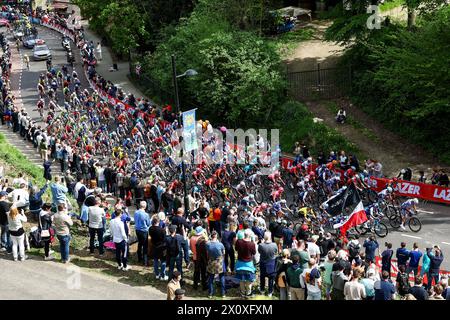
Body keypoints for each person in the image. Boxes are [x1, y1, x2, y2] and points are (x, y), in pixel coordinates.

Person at [235, 229, 257, 298]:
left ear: (244, 234)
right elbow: (254, 253)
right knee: (249, 280)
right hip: (248, 264)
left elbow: (236, 249)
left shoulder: (238, 241)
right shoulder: (252, 244)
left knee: (241, 279)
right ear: (250, 236)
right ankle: (248, 293)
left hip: (240, 263)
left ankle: (242, 292)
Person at [206, 230, 226, 298]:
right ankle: (223, 293)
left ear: (211, 236)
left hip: (211, 262)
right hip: (219, 262)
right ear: (216, 236)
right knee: (222, 277)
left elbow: (207, 253)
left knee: (211, 278)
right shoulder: (220, 244)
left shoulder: (208, 244)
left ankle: (210, 294)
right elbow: (224, 253)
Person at [258, 231, 278, 297]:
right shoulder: (274, 245)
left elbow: (259, 251)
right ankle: (270, 291)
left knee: (262, 277)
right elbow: (276, 252)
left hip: (263, 263)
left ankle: (262, 290)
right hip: (271, 263)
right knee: (271, 278)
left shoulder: (261, 245)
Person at [190, 225, 207, 290]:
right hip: (201, 258)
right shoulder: (202, 240)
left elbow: (191, 248)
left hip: (195, 257)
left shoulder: (192, 238)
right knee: (203, 272)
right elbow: (205, 251)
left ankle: (195, 285)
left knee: (196, 271)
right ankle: (204, 286)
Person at [134, 201, 150, 266]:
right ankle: (145, 262)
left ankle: (139, 258)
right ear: (145, 206)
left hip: (137, 230)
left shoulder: (136, 212)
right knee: (145, 246)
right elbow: (148, 223)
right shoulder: (146, 215)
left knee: (140, 243)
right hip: (144, 231)